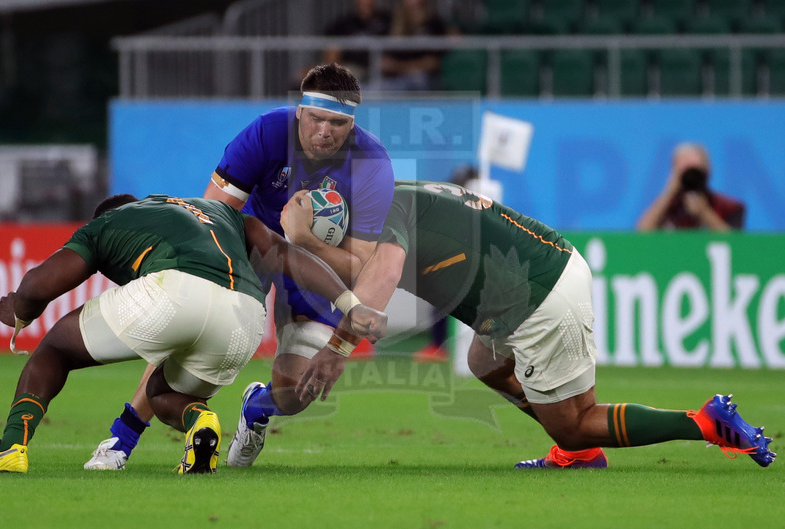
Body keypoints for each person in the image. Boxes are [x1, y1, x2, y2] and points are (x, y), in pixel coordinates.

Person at [297, 180, 776, 469]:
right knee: (482, 360)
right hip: (540, 270)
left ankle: (704, 423)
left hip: (538, 297)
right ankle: (580, 451)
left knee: (576, 424)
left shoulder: (385, 215)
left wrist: (337, 348)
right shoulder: (389, 198)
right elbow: (365, 264)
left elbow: (380, 278)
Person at [84, 63, 395, 471]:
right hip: (245, 244)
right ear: (300, 112)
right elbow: (211, 216)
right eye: (316, 118)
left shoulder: (372, 163)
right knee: (186, 329)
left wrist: (303, 241)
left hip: (316, 264)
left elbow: (360, 263)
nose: (325, 131)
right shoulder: (267, 133)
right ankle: (120, 441)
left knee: (297, 392)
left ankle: (256, 409)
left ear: (351, 125)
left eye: (337, 123)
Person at [0, 194, 386, 474]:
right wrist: (350, 304)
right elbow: (285, 255)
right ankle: (201, 422)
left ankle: (10, 447)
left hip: (173, 292)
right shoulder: (220, 211)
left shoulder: (106, 224)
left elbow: (40, 286)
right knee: (163, 394)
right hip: (245, 314)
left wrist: (19, 310)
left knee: (54, 350)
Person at [637, 142, 745, 231]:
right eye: (686, 170)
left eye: (696, 170)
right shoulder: (666, 207)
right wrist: (669, 192)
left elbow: (735, 244)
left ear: (707, 171)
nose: (691, 176)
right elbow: (642, 233)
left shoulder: (729, 207)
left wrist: (704, 212)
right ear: (674, 171)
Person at [379, 0, 450, 91]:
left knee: (417, 79)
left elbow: (432, 63)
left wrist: (398, 67)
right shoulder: (392, 23)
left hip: (424, 79)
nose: (414, 3)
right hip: (395, 79)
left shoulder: (434, 23)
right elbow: (385, 62)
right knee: (370, 89)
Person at [323, 0, 392, 85]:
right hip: (352, 71)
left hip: (383, 73)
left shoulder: (387, 22)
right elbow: (331, 54)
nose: (366, 2)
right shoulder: (342, 24)